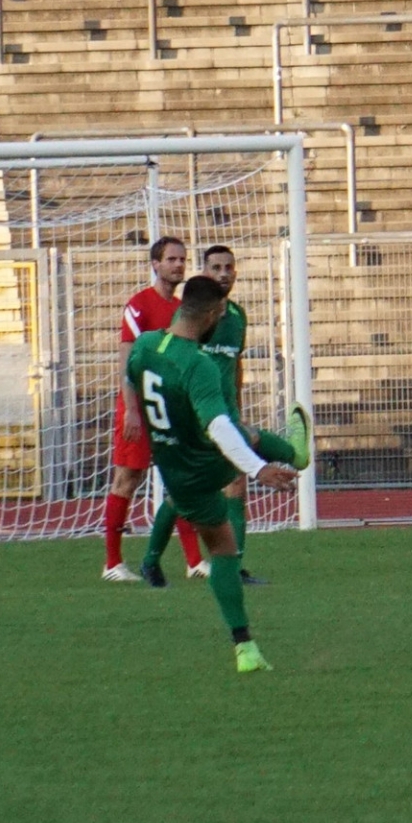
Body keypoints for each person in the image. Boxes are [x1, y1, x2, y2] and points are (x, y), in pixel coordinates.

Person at [125, 276, 300, 671]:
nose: (221, 321)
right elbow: (219, 427)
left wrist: (138, 413)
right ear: (210, 313)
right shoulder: (197, 364)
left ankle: (244, 647)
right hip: (202, 463)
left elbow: (129, 375)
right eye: (219, 315)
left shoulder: (148, 344)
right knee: (224, 545)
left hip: (171, 466)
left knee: (220, 537)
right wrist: (258, 469)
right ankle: (296, 454)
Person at [139, 244, 310, 588]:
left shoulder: (236, 316)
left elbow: (235, 365)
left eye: (229, 267)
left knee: (235, 485)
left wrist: (238, 407)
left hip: (225, 411)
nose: (223, 273)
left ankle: (231, 566)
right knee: (188, 489)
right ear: (204, 272)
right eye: (215, 267)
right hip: (198, 416)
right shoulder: (192, 316)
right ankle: (152, 561)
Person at [103, 237, 204, 583]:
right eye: (171, 259)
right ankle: (113, 563)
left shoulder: (182, 310)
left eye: (182, 259)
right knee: (127, 479)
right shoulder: (139, 305)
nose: (178, 265)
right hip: (138, 407)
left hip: (169, 408)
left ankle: (194, 562)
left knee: (181, 479)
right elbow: (126, 359)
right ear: (155, 264)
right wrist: (131, 409)